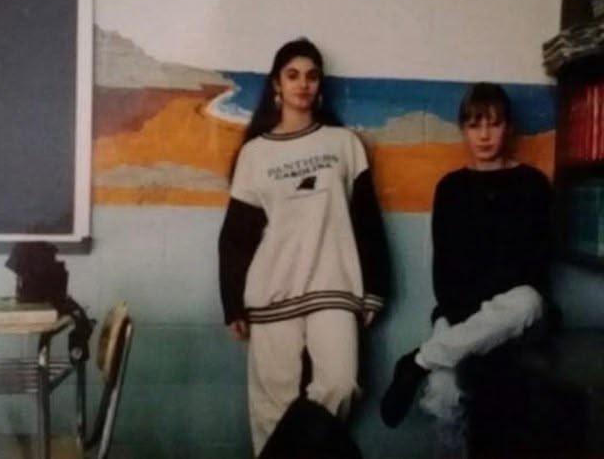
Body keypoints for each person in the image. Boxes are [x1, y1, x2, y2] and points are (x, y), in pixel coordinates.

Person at [218, 38, 390, 456]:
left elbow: (367, 220)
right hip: (272, 291)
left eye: (312, 76)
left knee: (339, 384)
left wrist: (376, 288)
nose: (303, 84)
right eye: (293, 75)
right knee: (272, 410)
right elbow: (236, 236)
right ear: (277, 84)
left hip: (334, 286)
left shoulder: (343, 143)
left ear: (320, 85)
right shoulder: (255, 153)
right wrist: (232, 302)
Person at [380, 82, 553, 446]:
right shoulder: (451, 188)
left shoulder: (533, 184)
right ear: (463, 130)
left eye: (493, 124)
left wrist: (486, 312)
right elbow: (445, 272)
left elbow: (532, 267)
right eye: (475, 125)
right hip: (460, 311)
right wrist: (469, 322)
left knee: (528, 299)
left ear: (508, 128)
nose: (484, 135)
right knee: (443, 390)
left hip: (516, 316)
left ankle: (418, 361)